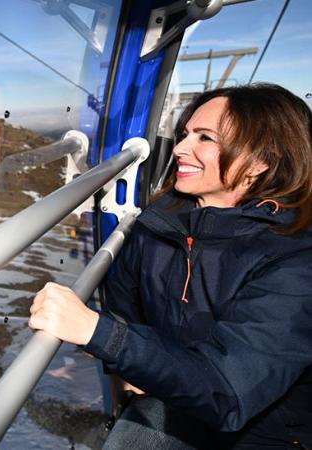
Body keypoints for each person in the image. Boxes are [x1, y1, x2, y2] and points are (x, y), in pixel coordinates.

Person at [28, 83, 312, 449]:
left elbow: (229, 391)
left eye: (204, 137)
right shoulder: (160, 222)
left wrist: (98, 333)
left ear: (262, 161)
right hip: (179, 397)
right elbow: (125, 308)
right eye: (184, 134)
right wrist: (127, 370)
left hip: (264, 431)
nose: (179, 149)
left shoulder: (295, 256)